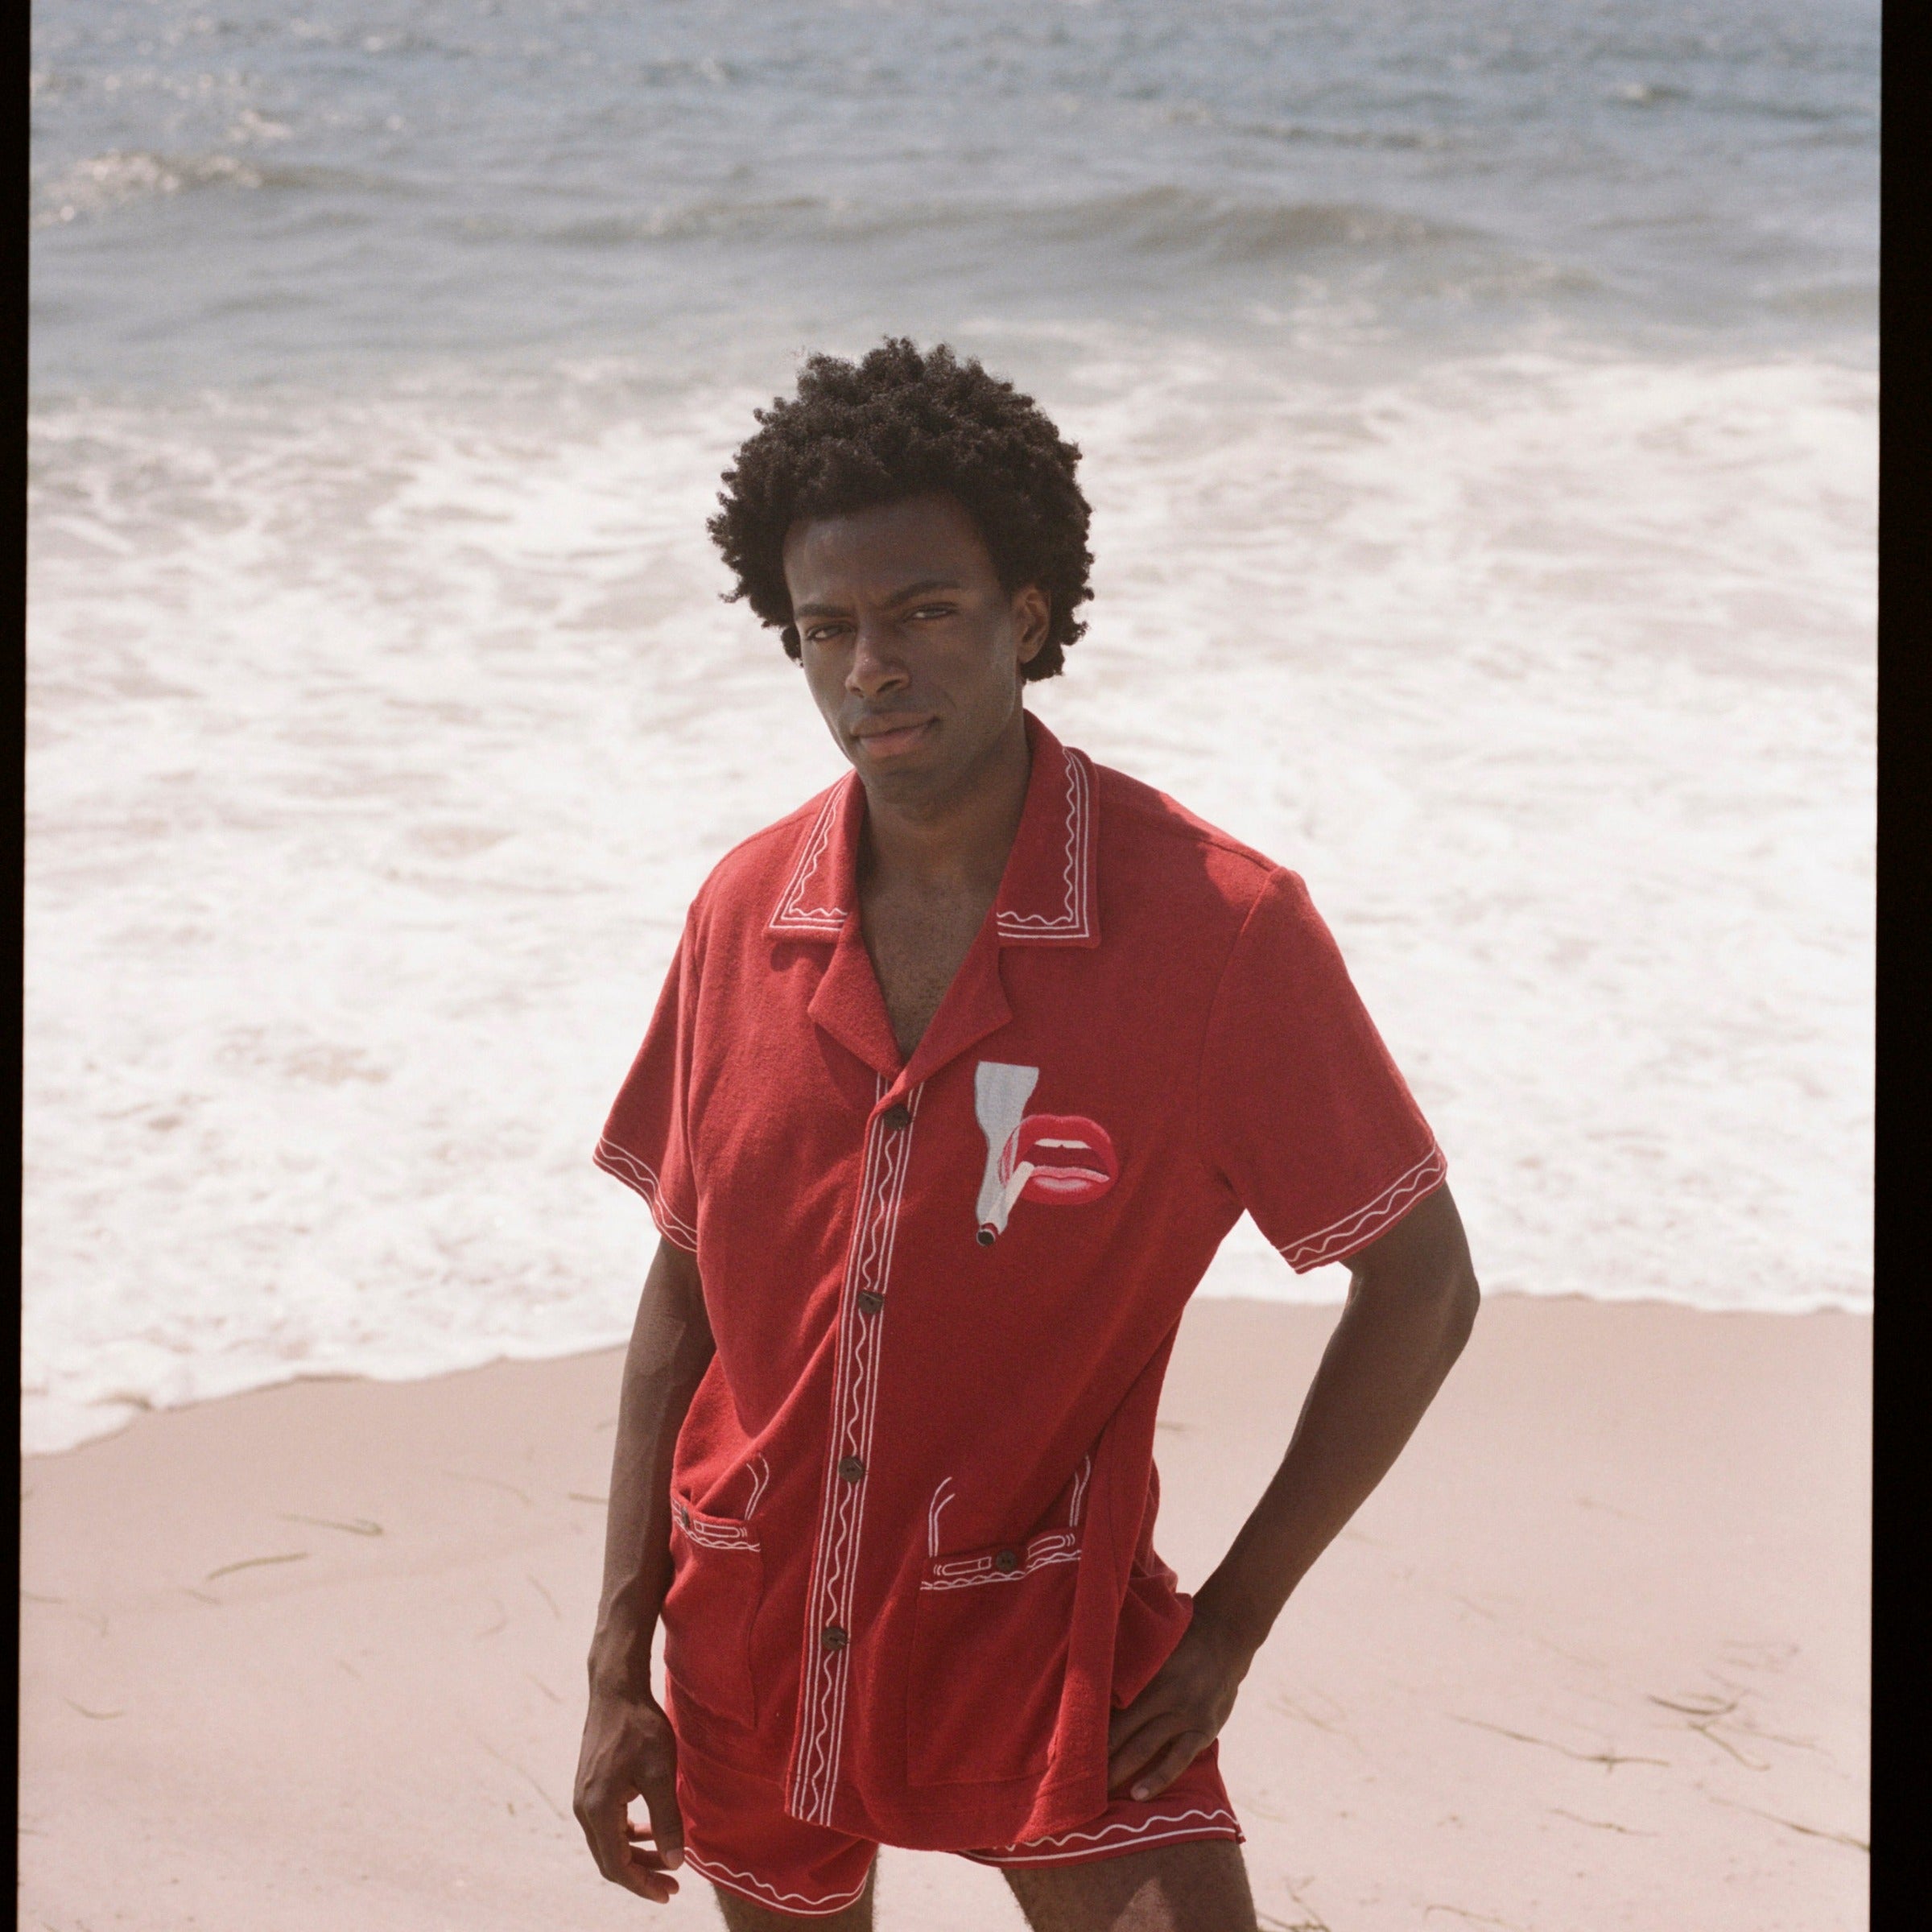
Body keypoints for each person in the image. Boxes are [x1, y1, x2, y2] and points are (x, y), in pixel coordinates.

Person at [573, 339, 1480, 1932]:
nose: (871, 666)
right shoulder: (741, 914)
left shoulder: (1215, 932)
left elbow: (1420, 1283)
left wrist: (1233, 1624)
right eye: (827, 628)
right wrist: (614, 1663)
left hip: (1048, 1638)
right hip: (753, 1630)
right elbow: (684, 1303)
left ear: (1031, 616)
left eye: (923, 612)